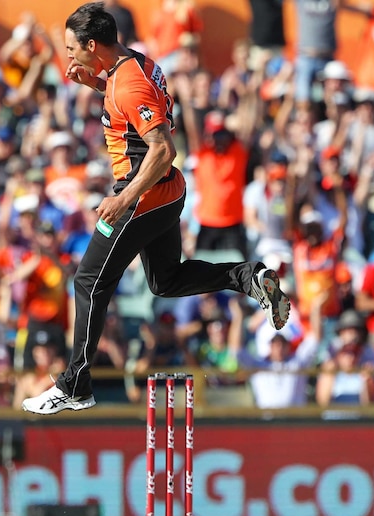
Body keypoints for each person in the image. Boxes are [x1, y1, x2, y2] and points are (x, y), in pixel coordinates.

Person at [22, 3, 290, 415]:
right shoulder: (134, 64)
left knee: (88, 280)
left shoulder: (129, 82)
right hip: (165, 195)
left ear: (93, 45)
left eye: (72, 48)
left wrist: (122, 199)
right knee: (165, 281)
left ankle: (75, 383)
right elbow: (130, 112)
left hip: (142, 198)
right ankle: (247, 276)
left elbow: (164, 149)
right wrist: (93, 83)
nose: (69, 55)